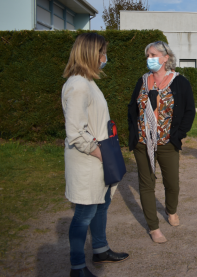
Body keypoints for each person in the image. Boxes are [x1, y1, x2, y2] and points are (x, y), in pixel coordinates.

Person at [62, 33, 129, 277]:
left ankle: (100, 249)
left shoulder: (87, 82)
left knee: (101, 205)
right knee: (84, 213)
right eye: (102, 52)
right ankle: (77, 267)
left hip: (98, 157)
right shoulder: (78, 85)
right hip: (89, 160)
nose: (104, 57)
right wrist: (100, 153)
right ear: (91, 53)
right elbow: (76, 132)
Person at [128, 41, 196, 243]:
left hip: (167, 143)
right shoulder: (142, 80)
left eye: (153, 55)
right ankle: (153, 228)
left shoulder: (180, 82)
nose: (149, 59)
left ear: (166, 57)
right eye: (147, 55)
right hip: (143, 143)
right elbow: (132, 108)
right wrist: (134, 133)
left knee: (171, 183)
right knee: (146, 185)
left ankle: (171, 210)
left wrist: (180, 133)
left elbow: (189, 110)